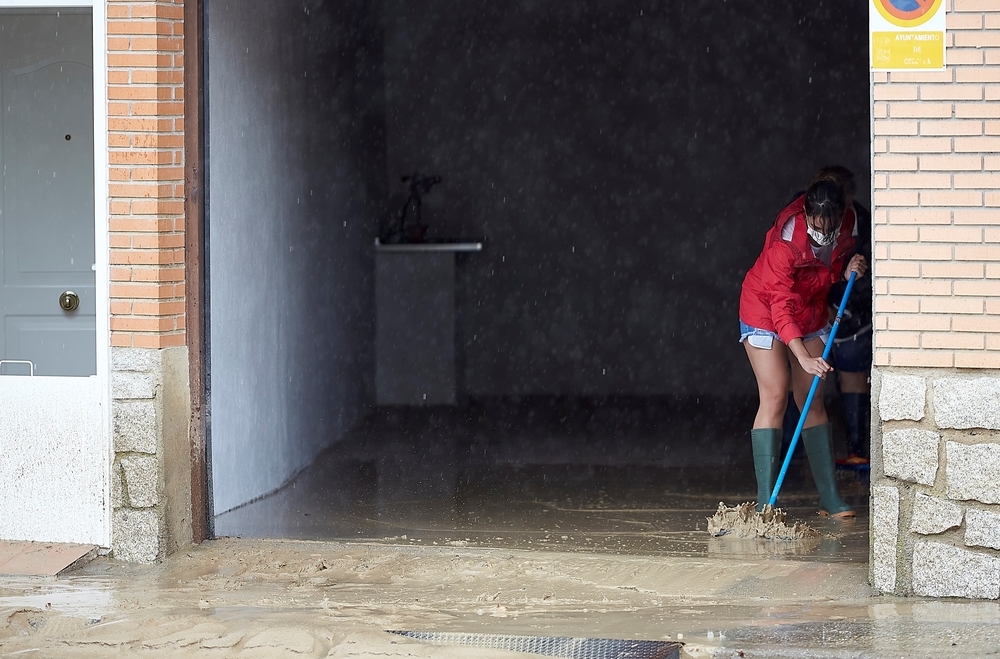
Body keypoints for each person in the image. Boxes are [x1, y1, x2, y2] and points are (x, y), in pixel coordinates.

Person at [739, 178, 867, 518]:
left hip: (810, 310)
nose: (822, 232)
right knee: (777, 394)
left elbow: (829, 270)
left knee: (811, 398)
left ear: (840, 216)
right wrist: (803, 357)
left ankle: (829, 499)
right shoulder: (785, 243)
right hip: (765, 309)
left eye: (830, 226)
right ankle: (766, 502)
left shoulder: (850, 223)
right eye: (815, 225)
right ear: (806, 212)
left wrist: (850, 269)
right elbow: (781, 306)